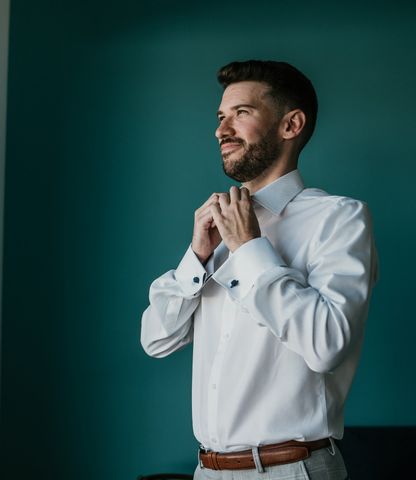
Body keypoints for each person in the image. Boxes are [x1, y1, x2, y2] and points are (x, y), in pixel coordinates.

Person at [140, 60, 378, 479]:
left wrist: (250, 249)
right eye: (220, 117)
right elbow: (156, 339)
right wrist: (195, 258)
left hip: (294, 470)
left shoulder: (339, 218)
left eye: (241, 113)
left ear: (291, 125)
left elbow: (326, 345)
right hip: (208, 470)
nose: (221, 129)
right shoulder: (218, 226)